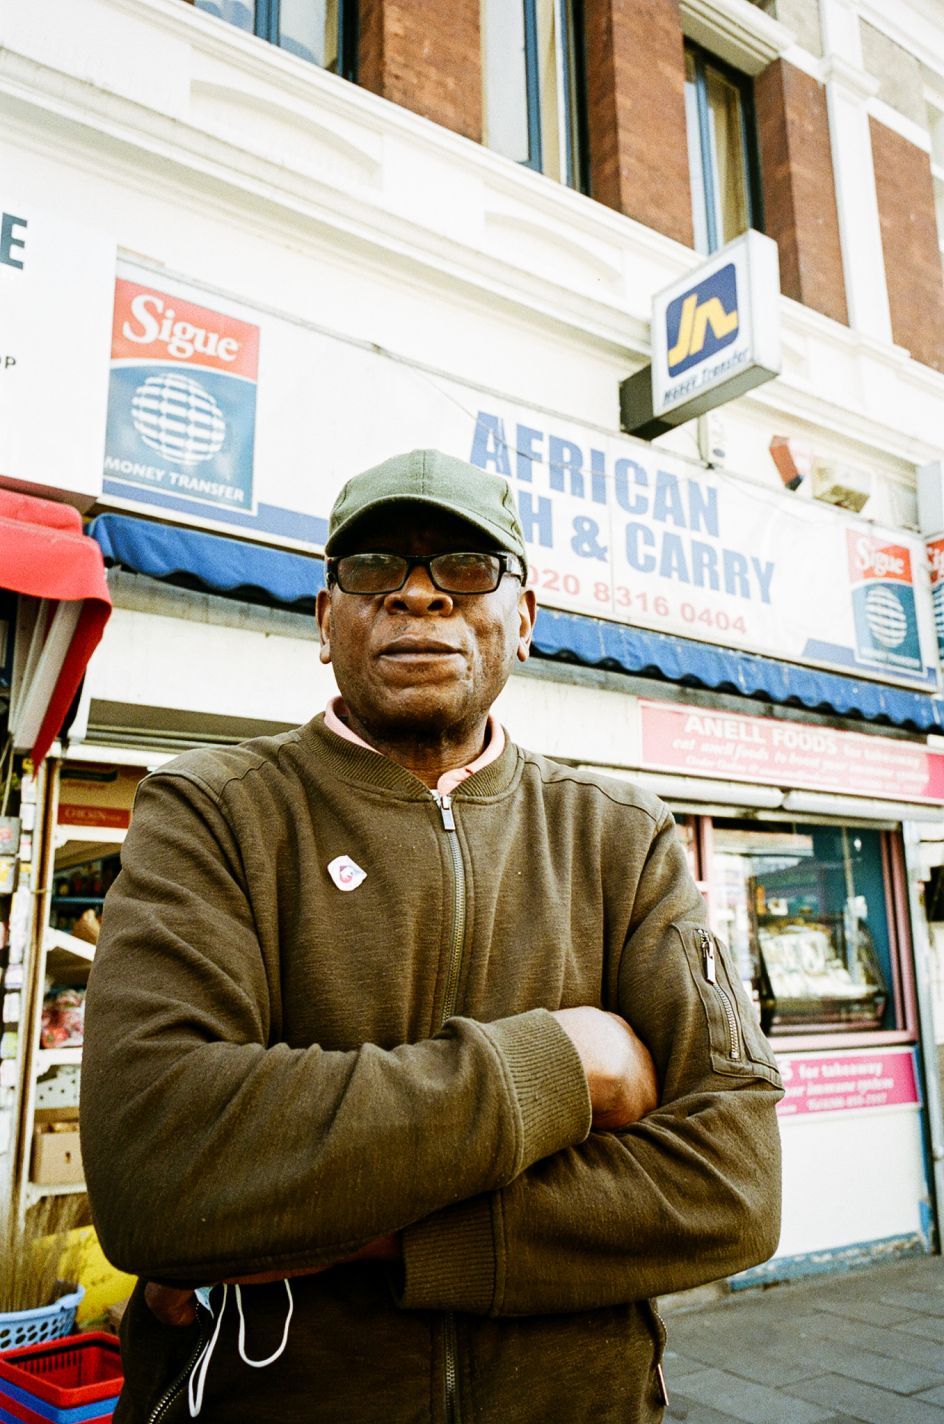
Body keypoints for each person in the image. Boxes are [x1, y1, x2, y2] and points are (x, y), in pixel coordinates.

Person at [81, 448, 783, 1424]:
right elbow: (157, 1170)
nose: (417, 596)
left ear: (524, 621)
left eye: (464, 565)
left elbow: (732, 1182)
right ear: (325, 621)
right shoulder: (207, 812)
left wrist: (363, 1231)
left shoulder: (622, 838)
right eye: (372, 568)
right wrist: (567, 1063)